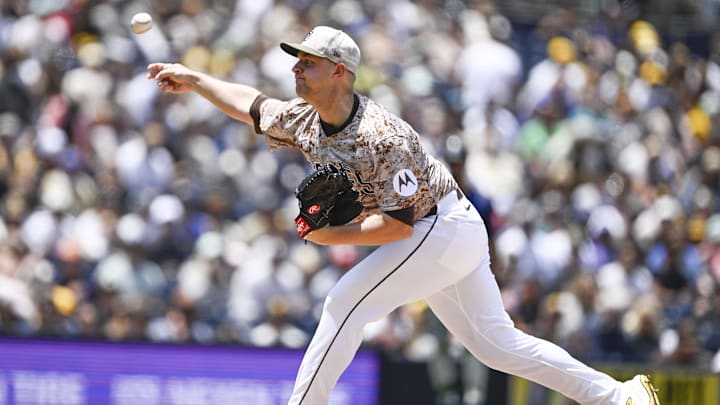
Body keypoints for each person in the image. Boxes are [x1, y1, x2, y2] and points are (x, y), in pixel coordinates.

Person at [147, 25, 660, 405]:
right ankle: (620, 398)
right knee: (497, 347)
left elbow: (400, 225)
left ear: (339, 72)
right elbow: (251, 106)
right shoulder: (305, 117)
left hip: (438, 227)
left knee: (343, 303)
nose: (295, 68)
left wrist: (331, 236)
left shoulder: (382, 136)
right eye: (297, 61)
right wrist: (194, 80)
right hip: (440, 231)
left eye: (307, 62)